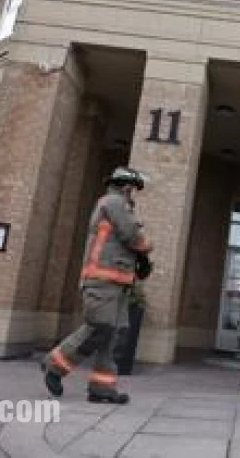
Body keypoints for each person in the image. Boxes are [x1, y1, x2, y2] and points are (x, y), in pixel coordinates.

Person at [41, 167, 153, 404]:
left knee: (114, 334)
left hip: (117, 283)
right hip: (103, 281)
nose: (133, 193)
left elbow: (123, 240)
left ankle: (102, 387)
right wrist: (146, 249)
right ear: (126, 186)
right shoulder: (114, 202)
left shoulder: (116, 205)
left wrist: (139, 261)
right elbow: (132, 235)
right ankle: (55, 365)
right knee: (100, 327)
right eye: (133, 188)